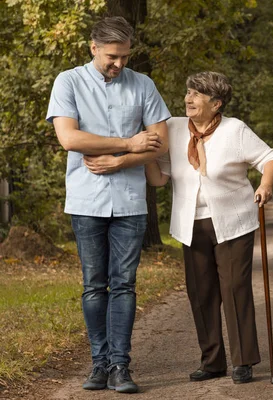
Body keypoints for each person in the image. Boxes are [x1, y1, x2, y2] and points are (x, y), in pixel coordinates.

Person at [46, 16, 171, 394]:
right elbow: (69, 138)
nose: (119, 64)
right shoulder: (68, 81)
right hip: (86, 199)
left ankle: (120, 366)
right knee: (93, 285)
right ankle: (99, 364)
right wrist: (130, 142)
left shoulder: (143, 84)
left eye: (125, 57)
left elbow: (160, 143)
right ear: (93, 48)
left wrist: (122, 157)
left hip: (131, 203)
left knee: (124, 285)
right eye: (112, 57)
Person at [145, 71, 273, 384]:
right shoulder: (173, 129)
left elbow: (269, 157)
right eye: (188, 92)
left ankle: (243, 360)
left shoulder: (235, 130)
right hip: (190, 224)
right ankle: (212, 362)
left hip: (233, 222)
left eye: (196, 95)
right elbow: (159, 179)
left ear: (216, 103)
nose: (188, 99)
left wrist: (266, 184)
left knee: (234, 289)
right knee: (201, 293)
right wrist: (146, 156)